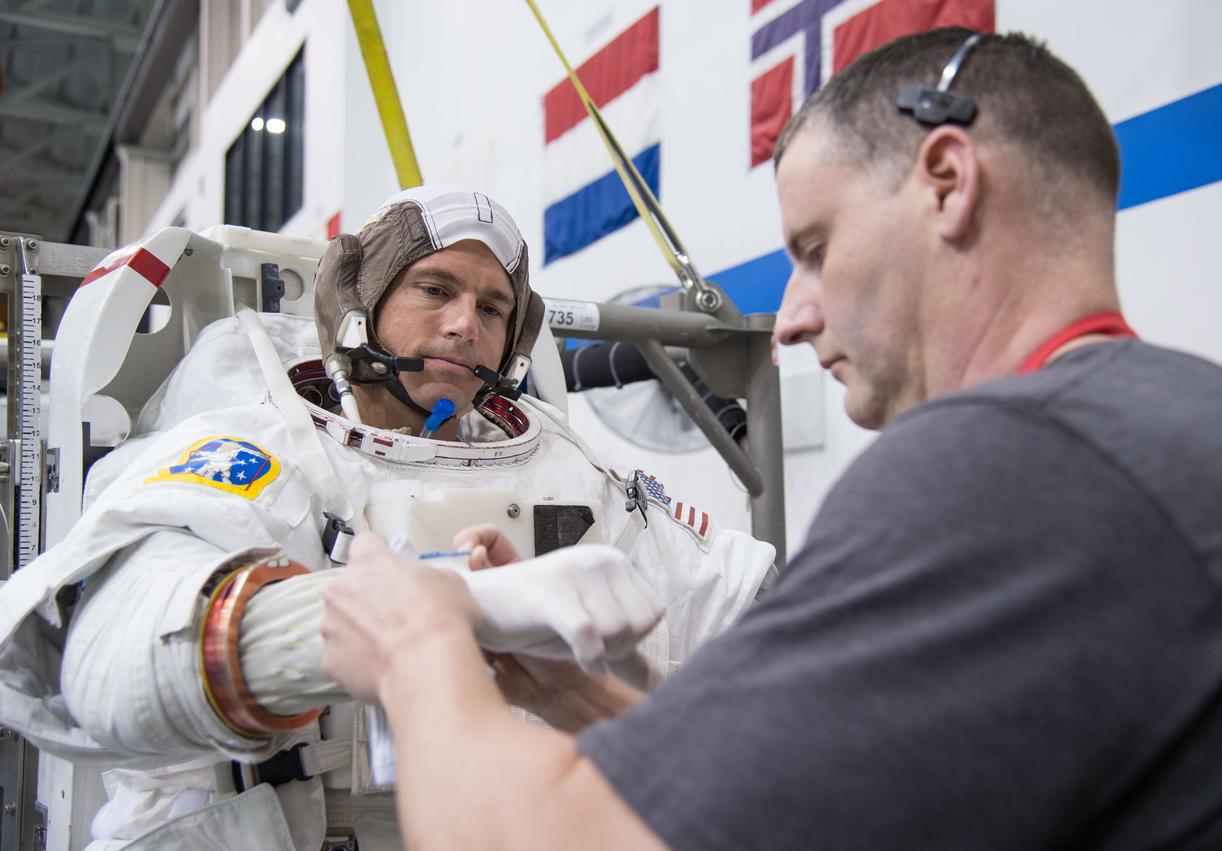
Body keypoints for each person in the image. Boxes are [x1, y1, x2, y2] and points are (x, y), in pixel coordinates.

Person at [319, 29, 1222, 850]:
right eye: (433, 292)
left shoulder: (1003, 469)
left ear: (947, 182)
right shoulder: (1192, 421)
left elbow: (567, 835)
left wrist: (414, 644)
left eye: (814, 251)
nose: (786, 320)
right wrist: (574, 694)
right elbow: (799, 793)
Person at [0, 184, 774, 850]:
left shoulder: (560, 461)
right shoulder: (260, 437)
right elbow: (111, 666)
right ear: (360, 302)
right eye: (434, 290)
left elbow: (742, 608)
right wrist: (427, 614)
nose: (465, 322)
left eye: (493, 306)